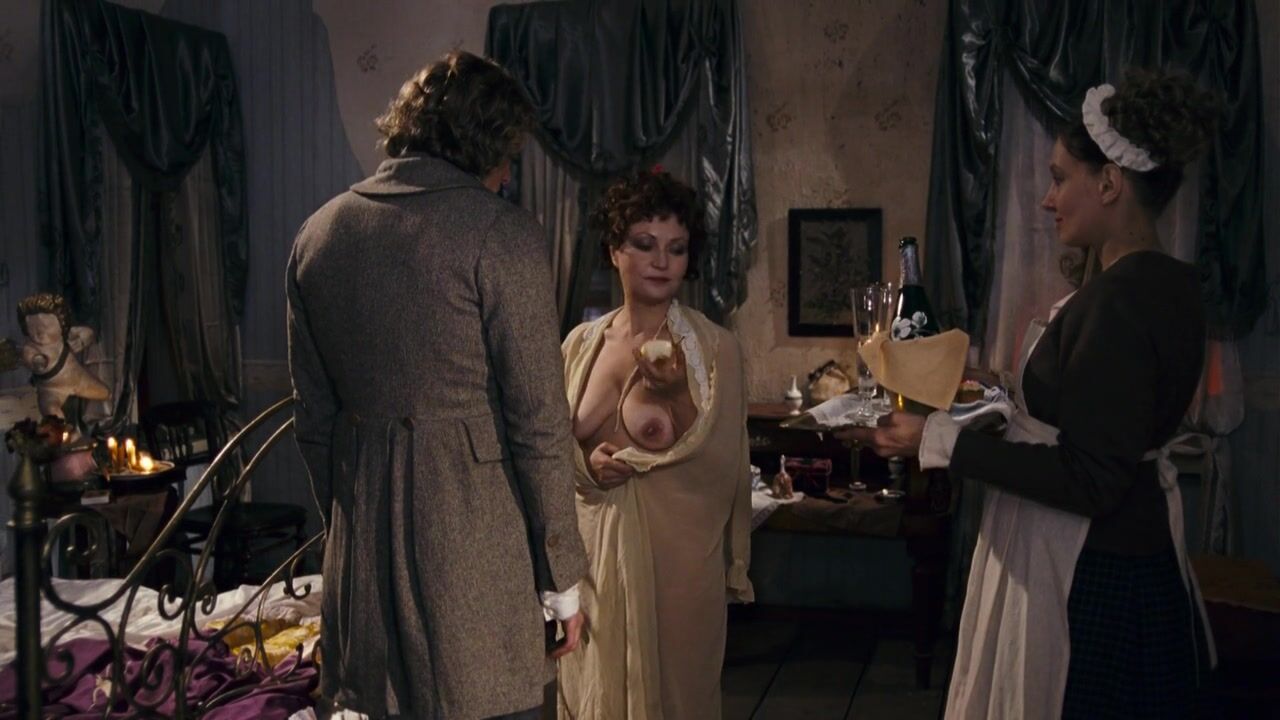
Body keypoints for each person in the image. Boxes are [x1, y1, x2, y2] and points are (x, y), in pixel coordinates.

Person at [840, 68, 1220, 719]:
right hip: (1126, 554)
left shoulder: (1122, 301)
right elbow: (1100, 417)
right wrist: (997, 393)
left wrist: (937, 438)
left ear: (1109, 183)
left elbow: (1091, 478)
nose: (1048, 199)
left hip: (1095, 575)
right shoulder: (1161, 284)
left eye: (1059, 178)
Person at [287, 50, 588, 720]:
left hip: (363, 552)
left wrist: (352, 528)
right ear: (489, 143)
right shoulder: (500, 233)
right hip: (475, 552)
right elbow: (539, 423)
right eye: (510, 156)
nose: (508, 174)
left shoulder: (320, 234)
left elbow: (314, 419)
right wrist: (561, 578)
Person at [557, 169, 754, 719]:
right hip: (592, 566)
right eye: (645, 244)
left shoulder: (714, 350)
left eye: (676, 248)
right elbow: (545, 445)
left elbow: (723, 466)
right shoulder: (578, 345)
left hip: (677, 567)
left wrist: (676, 398)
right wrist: (586, 464)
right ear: (614, 250)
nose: (662, 261)